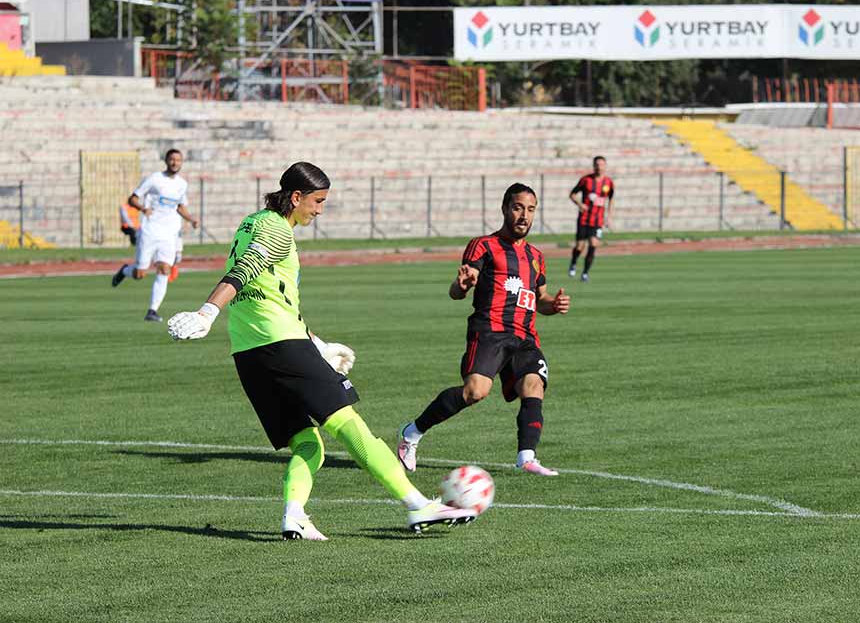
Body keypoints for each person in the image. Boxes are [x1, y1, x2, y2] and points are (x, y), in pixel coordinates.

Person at [166, 162, 477, 540]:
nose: (319, 210)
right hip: (280, 344)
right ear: (296, 197)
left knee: (308, 443)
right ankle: (416, 504)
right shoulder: (279, 231)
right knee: (349, 425)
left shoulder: (251, 222)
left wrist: (317, 344)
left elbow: (270, 295)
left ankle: (294, 515)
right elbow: (245, 271)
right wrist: (208, 311)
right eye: (317, 201)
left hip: (249, 353)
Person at [397, 183, 571, 477]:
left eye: (530, 210)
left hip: (525, 337)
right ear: (505, 209)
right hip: (490, 331)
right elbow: (459, 289)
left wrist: (553, 304)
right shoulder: (483, 246)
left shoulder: (536, 257)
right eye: (518, 208)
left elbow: (540, 299)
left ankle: (527, 457)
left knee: (534, 386)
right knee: (475, 392)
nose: (523, 216)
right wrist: (461, 286)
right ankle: (411, 433)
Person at [111, 149, 199, 321]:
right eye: (172, 159)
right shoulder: (154, 179)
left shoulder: (182, 184)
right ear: (166, 161)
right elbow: (133, 199)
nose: (175, 163)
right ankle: (125, 270)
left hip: (169, 234)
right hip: (150, 231)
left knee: (165, 269)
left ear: (181, 163)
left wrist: (191, 219)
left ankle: (152, 311)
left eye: (178, 160)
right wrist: (143, 208)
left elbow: (180, 207)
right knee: (140, 273)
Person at [568, 156, 614, 282]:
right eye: (597, 164)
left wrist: (609, 217)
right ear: (594, 166)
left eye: (602, 164)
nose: (599, 167)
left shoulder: (609, 183)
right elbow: (572, 194)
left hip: (598, 221)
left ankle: (585, 273)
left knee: (594, 244)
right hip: (584, 219)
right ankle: (573, 263)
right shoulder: (586, 180)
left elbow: (611, 199)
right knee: (580, 246)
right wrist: (580, 204)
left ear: (605, 166)